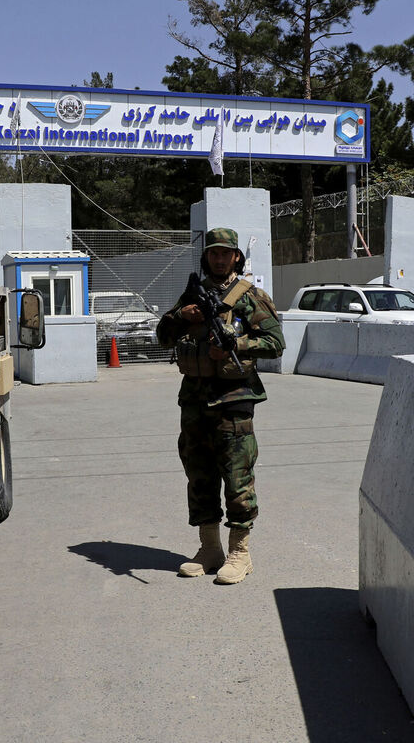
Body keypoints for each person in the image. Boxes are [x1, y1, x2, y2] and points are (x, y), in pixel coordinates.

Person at [155, 228, 285, 584]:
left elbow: (275, 342)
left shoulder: (250, 297)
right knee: (199, 475)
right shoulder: (191, 295)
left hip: (234, 402)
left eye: (225, 253)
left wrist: (236, 344)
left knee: (238, 478)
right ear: (206, 256)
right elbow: (162, 335)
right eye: (213, 253)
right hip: (195, 402)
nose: (218, 258)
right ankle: (209, 549)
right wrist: (184, 317)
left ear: (236, 258)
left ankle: (240, 554)